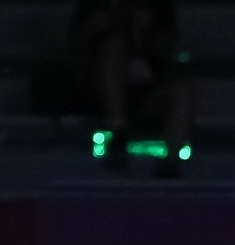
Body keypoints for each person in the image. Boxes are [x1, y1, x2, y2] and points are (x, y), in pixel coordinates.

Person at [69, 0, 195, 176]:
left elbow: (170, 48)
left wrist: (148, 33)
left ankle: (170, 161)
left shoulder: (159, 6)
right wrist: (98, 26)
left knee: (183, 90)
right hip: (101, 95)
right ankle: (118, 127)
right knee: (113, 47)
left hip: (147, 93)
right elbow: (75, 44)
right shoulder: (95, 5)